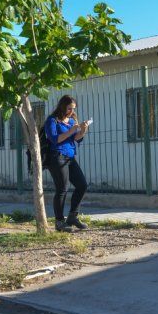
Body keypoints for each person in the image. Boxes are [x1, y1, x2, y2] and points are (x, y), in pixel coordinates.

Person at [45, 95, 90, 231]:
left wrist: (83, 129)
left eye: (73, 108)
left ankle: (72, 216)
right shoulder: (52, 120)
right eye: (69, 108)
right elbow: (54, 139)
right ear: (62, 106)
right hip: (57, 157)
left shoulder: (71, 121)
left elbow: (76, 138)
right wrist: (71, 130)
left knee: (82, 185)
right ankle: (59, 222)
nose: (71, 111)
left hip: (70, 157)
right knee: (62, 189)